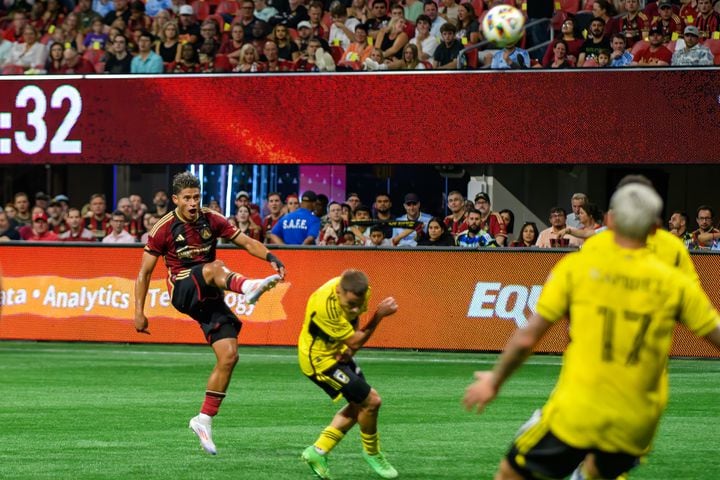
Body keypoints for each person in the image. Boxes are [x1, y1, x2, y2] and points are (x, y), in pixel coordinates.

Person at [463, 182, 720, 480]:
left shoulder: (579, 266)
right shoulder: (676, 283)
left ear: (609, 221)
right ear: (655, 229)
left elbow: (528, 336)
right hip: (638, 420)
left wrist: (495, 380)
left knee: (511, 472)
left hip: (579, 409)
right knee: (599, 473)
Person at [134, 172, 285, 456]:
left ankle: (203, 420)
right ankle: (249, 287)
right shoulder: (162, 228)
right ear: (176, 199)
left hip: (210, 295)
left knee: (229, 356)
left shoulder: (212, 219)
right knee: (216, 266)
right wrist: (138, 312)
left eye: (196, 197)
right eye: (187, 198)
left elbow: (247, 242)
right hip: (183, 290)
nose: (193, 203)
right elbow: (144, 273)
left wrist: (271, 257)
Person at [299, 269, 399, 480]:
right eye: (350, 303)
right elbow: (354, 339)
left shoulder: (362, 291)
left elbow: (354, 320)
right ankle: (373, 453)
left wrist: (349, 352)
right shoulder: (324, 305)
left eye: (357, 303)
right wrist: (378, 316)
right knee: (371, 402)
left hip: (336, 354)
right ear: (338, 291)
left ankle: (317, 451)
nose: (354, 308)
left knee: (360, 405)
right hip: (319, 361)